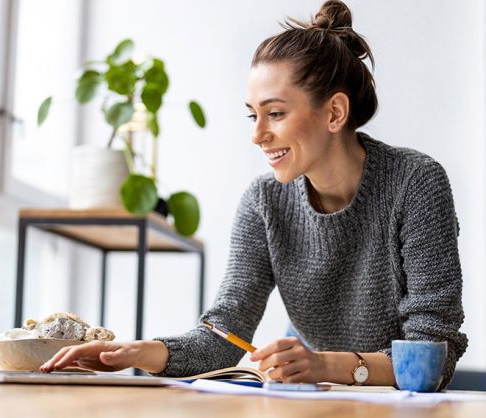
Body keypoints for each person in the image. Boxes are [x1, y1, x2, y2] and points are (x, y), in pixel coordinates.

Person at [41, 0, 467, 388]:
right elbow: (225, 334)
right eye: (253, 115)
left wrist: (323, 365)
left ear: (334, 113)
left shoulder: (416, 183)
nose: (258, 135)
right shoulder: (264, 202)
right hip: (314, 399)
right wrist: (138, 353)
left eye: (275, 114)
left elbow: (432, 356)